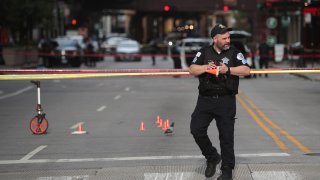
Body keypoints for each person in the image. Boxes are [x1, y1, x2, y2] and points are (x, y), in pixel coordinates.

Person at [189, 24, 250, 179]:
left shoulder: (234, 52)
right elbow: (192, 69)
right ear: (215, 39)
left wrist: (228, 70)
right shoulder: (204, 52)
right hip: (205, 100)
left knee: (226, 136)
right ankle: (212, 157)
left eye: (228, 37)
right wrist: (205, 67)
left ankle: (227, 170)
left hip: (226, 100)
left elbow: (246, 70)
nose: (227, 40)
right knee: (196, 129)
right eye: (224, 38)